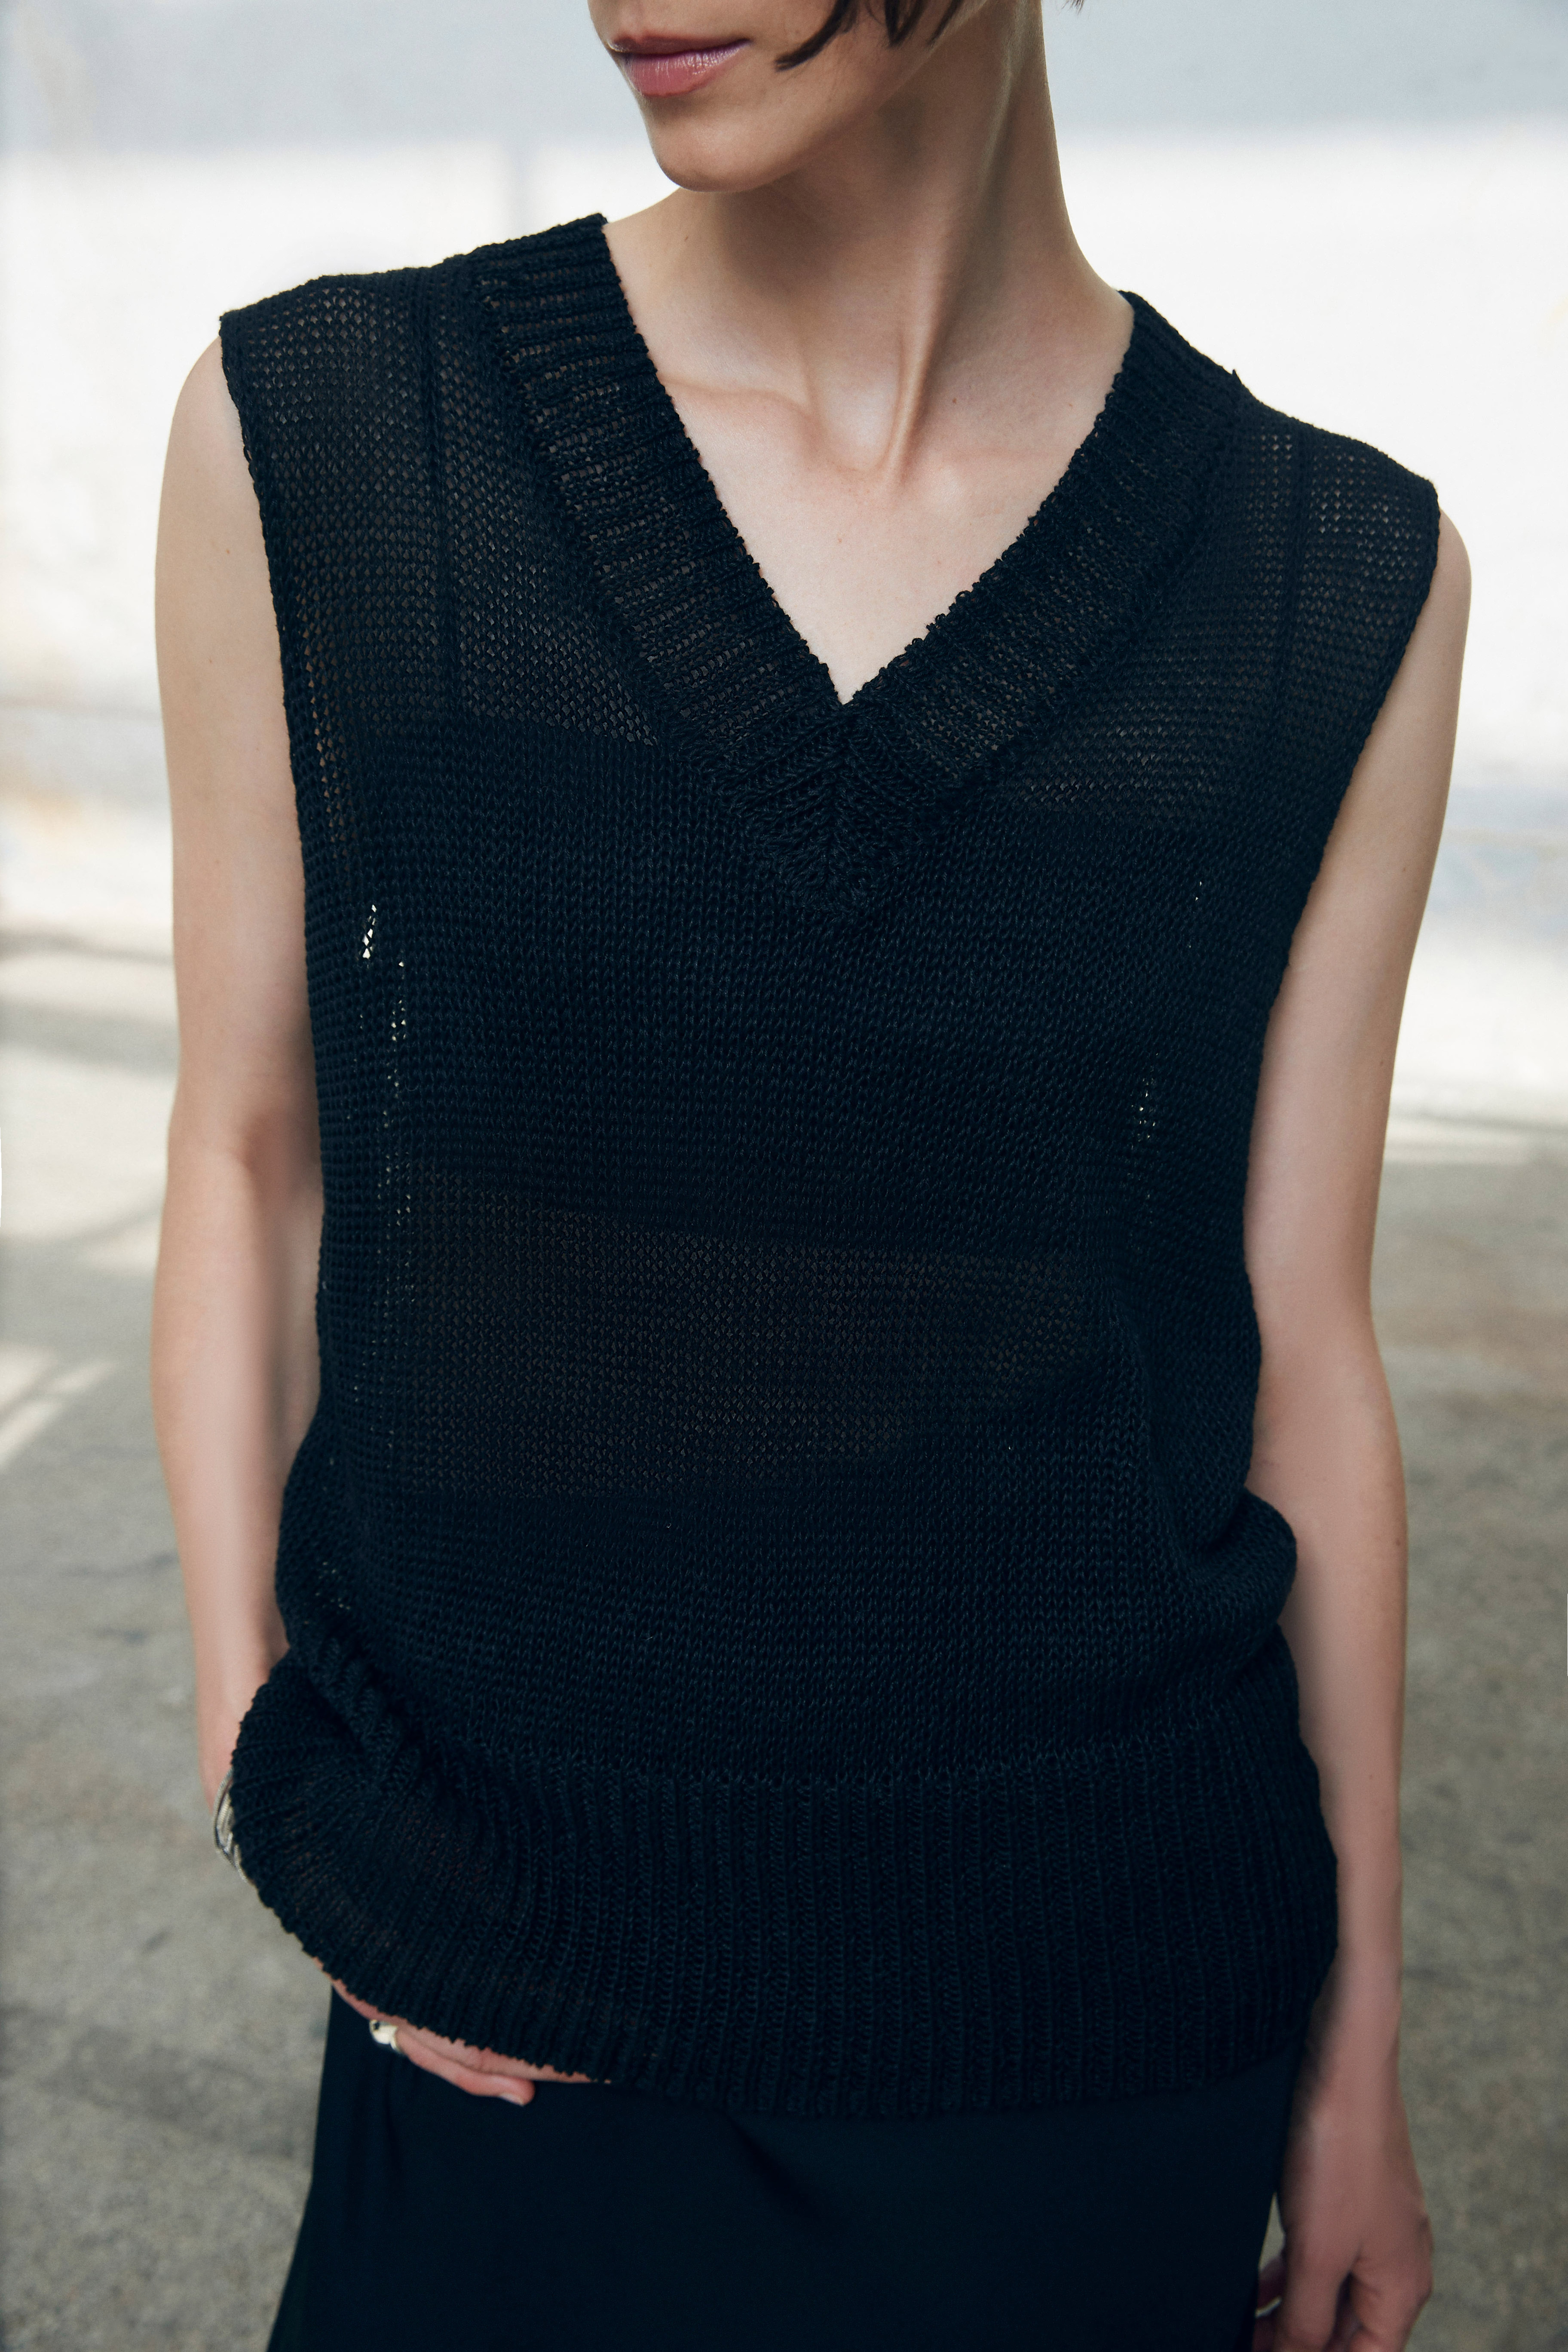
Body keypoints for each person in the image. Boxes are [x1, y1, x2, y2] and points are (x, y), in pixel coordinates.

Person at [151, 2, 1467, 2346]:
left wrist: (1358, 2044)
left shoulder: (1332, 572)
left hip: (1100, 2060)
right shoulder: (339, 434)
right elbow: (254, 1154)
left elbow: (1299, 1350)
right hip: (509, 2023)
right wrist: (267, 1767)